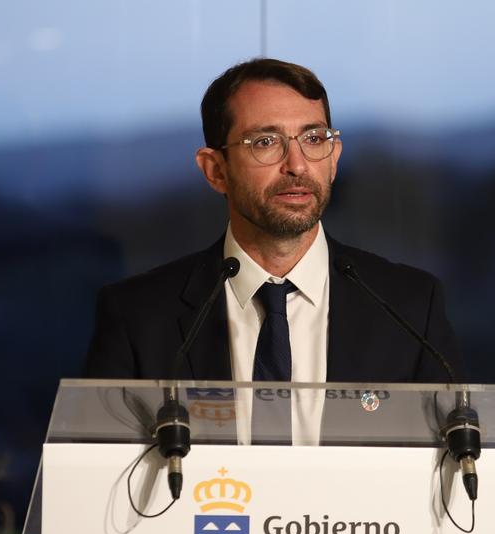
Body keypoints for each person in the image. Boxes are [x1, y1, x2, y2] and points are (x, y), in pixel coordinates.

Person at [83, 58, 460, 389]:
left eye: (314, 139)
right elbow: (97, 449)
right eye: (265, 142)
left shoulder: (410, 306)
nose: (297, 164)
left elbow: (454, 443)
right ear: (215, 170)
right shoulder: (139, 315)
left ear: (333, 159)